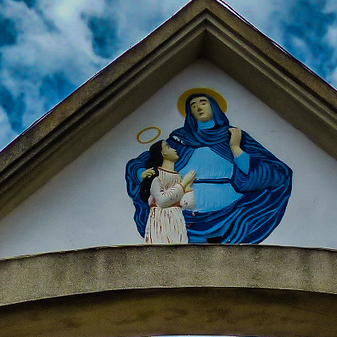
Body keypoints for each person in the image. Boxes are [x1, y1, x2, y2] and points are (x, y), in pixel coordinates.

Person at [125, 89, 292, 244]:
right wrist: (142, 173)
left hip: (233, 216)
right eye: (193, 105)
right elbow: (143, 162)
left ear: (214, 106)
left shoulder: (234, 135)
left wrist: (235, 149)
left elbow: (277, 172)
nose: (198, 107)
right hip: (182, 216)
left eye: (203, 102)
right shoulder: (179, 140)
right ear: (189, 113)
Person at [139, 139, 196, 244]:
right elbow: (162, 201)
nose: (174, 150)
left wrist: (187, 190)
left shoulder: (178, 177)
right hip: (161, 220)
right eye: (168, 147)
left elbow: (187, 204)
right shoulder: (156, 176)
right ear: (162, 153)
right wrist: (183, 184)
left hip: (176, 218)